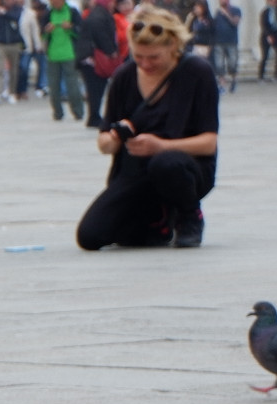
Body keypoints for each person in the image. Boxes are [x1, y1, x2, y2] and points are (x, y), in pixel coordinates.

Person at [76, 5, 218, 248]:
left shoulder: (197, 73)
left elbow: (208, 143)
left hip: (185, 168)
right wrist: (116, 137)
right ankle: (157, 220)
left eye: (153, 58)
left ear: (173, 46)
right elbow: (104, 143)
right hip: (136, 171)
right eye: (138, 56)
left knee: (167, 162)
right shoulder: (124, 76)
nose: (145, 64)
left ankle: (188, 215)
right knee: (91, 236)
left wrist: (160, 146)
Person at [74, 0, 121, 123]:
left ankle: (94, 115)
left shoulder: (98, 13)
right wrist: (110, 50)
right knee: (96, 87)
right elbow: (101, 35)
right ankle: (94, 116)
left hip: (90, 57)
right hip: (92, 58)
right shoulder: (99, 15)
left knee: (96, 88)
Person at [43, 0, 86, 115]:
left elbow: (81, 31)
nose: (55, 3)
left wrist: (71, 27)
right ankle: (57, 112)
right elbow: (42, 33)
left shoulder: (72, 12)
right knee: (53, 86)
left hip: (69, 54)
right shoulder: (48, 13)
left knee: (73, 85)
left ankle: (78, 111)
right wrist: (47, 31)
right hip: (53, 54)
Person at [210, 0, 238, 88]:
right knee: (219, 64)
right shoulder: (217, 12)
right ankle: (222, 83)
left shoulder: (235, 10)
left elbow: (235, 22)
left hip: (231, 41)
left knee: (232, 63)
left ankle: (234, 79)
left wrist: (226, 14)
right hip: (218, 41)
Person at [260, 0, 275, 79]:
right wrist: (268, 35)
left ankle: (276, 75)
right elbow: (263, 24)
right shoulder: (265, 12)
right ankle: (261, 75)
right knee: (265, 56)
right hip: (266, 36)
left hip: (276, 35)